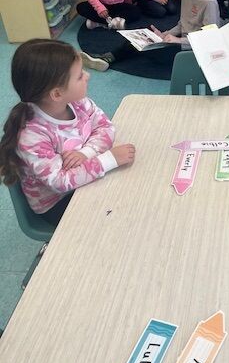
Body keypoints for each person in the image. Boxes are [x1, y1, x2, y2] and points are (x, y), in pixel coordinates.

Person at [0, 39, 136, 225]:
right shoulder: (32, 135)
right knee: (118, 217)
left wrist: (86, 153)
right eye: (80, 76)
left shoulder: (78, 101)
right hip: (56, 202)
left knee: (129, 191)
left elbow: (106, 127)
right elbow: (59, 182)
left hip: (82, 181)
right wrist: (108, 159)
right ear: (57, 94)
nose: (87, 76)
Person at [81, 0, 221, 71]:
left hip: (193, 51)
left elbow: (208, 40)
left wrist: (178, 40)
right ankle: (108, 57)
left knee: (151, 51)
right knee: (146, 35)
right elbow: (182, 24)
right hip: (181, 42)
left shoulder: (209, 3)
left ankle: (112, 57)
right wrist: (166, 34)